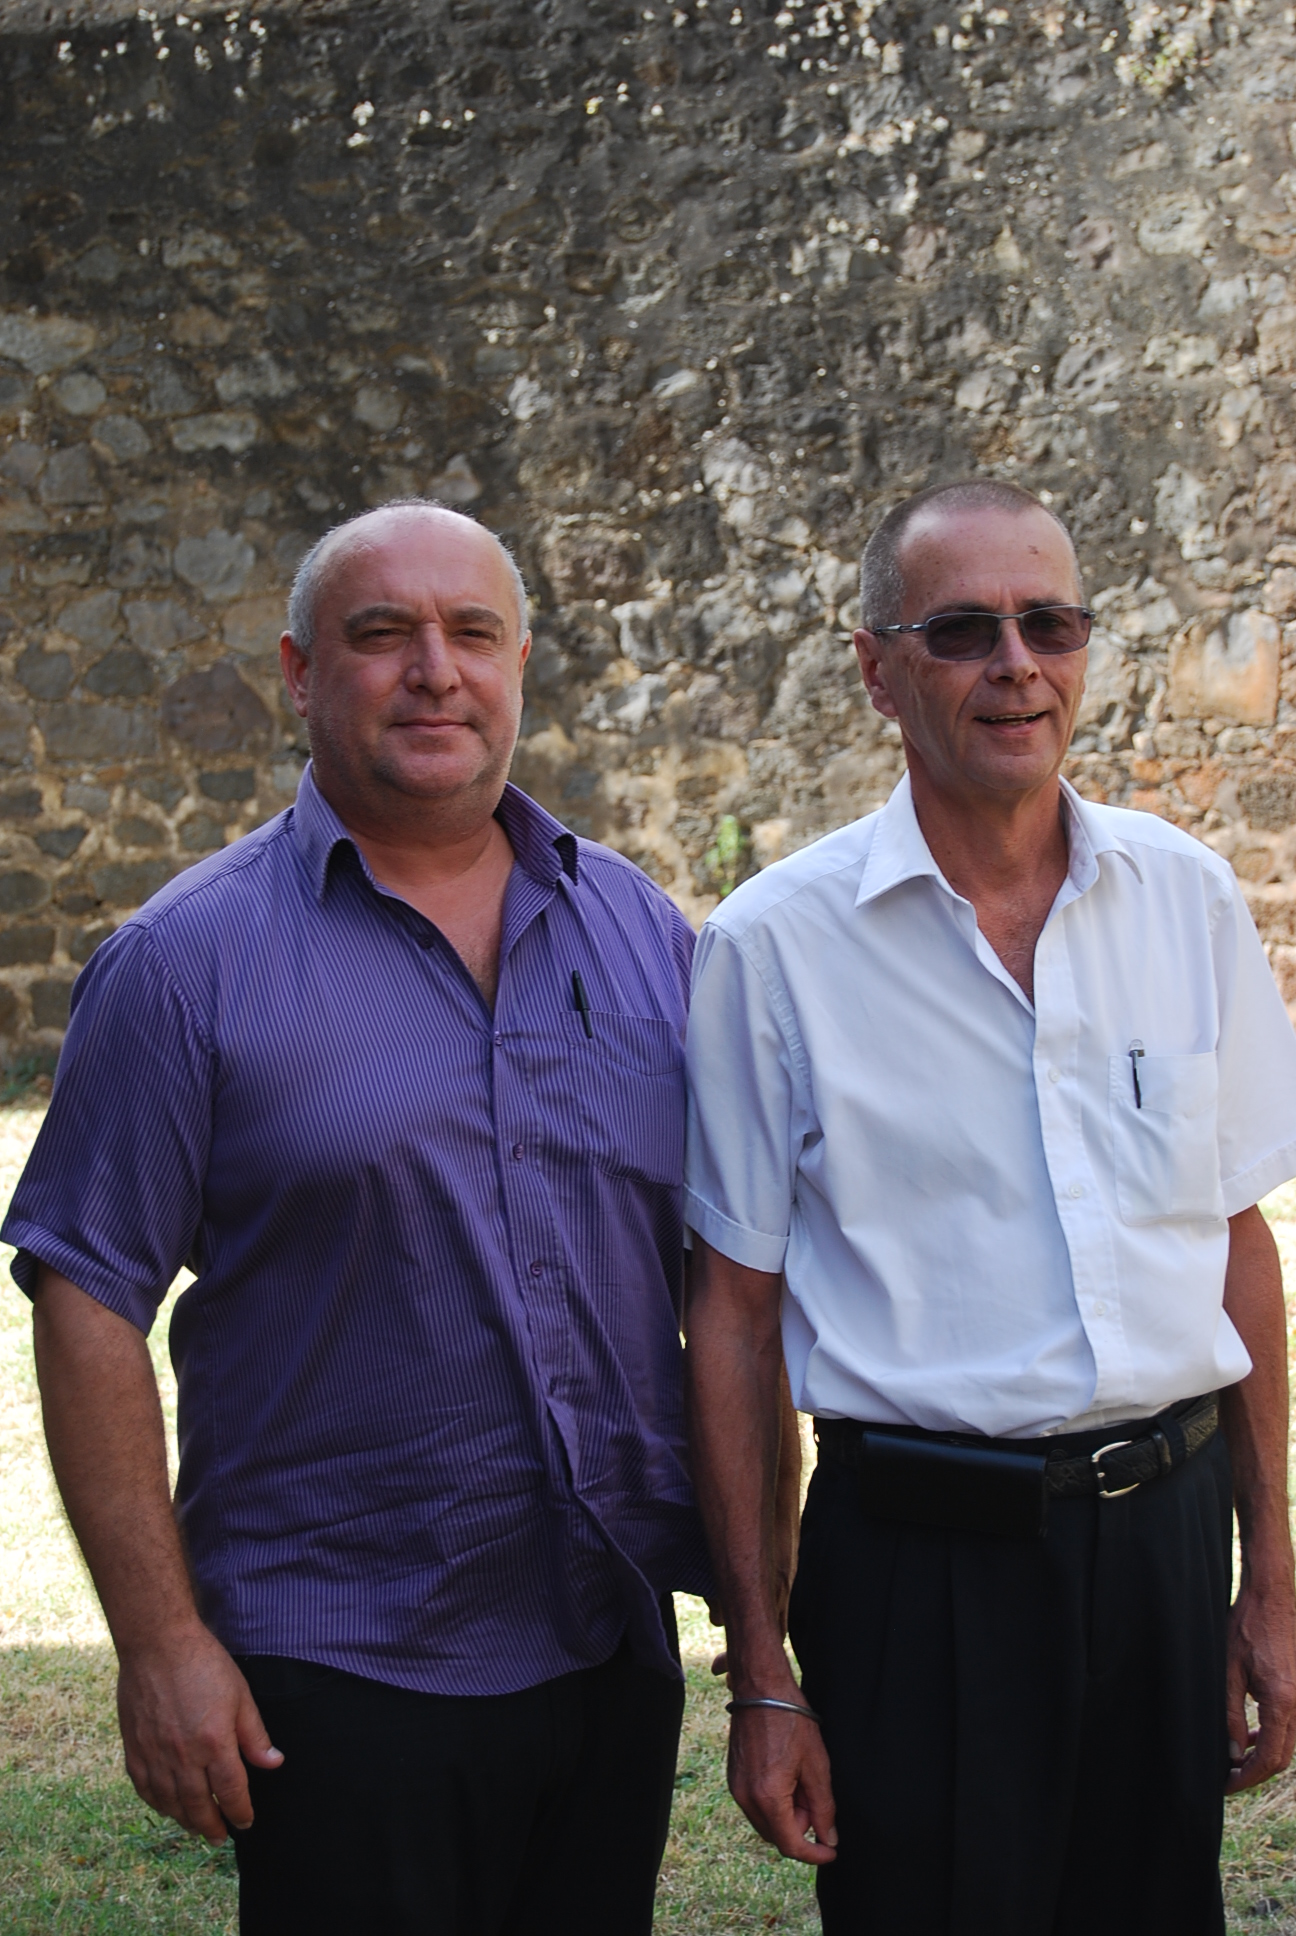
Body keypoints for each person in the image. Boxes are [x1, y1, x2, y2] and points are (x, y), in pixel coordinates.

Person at [7, 499, 711, 1936]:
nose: (433, 671)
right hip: (336, 1667)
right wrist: (159, 1645)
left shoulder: (646, 937)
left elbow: (739, 1284)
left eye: (472, 634)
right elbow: (85, 1298)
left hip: (605, 1645)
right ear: (299, 672)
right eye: (380, 634)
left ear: (523, 664)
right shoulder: (183, 965)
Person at [683, 478, 1296, 1936]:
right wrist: (763, 1669)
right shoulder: (775, 951)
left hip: (1163, 1542)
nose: (1016, 662)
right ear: (877, 668)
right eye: (962, 629)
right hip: (918, 1576)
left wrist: (1267, 1579)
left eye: (1051, 620)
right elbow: (731, 1313)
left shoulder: (1186, 898)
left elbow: (1234, 1245)